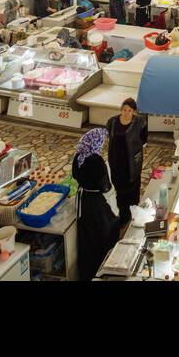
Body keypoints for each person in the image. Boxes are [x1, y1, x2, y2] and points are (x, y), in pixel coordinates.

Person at [71, 127, 116, 281]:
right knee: (102, 233)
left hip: (84, 201)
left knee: (87, 236)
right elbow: (105, 186)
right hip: (96, 203)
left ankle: (87, 272)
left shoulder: (78, 157)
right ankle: (102, 269)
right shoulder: (96, 161)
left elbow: (75, 176)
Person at [106, 99, 146, 230]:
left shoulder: (140, 122)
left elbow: (144, 138)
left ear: (133, 111)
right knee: (120, 190)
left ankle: (135, 210)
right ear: (120, 109)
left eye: (130, 110)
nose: (126, 113)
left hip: (132, 161)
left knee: (134, 185)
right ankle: (124, 216)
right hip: (117, 162)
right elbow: (109, 137)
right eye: (124, 110)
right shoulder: (112, 122)